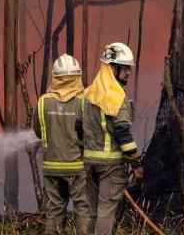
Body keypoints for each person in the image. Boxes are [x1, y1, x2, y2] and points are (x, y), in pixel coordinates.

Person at [82, 42, 142, 235]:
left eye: (129, 68)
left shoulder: (88, 94)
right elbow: (124, 134)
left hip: (88, 163)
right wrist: (136, 163)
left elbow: (77, 128)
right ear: (111, 68)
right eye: (124, 68)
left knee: (90, 211)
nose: (128, 73)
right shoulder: (117, 97)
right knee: (106, 212)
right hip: (111, 166)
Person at [34, 54, 90, 234]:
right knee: (82, 207)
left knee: (54, 210)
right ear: (77, 77)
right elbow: (90, 133)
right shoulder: (83, 102)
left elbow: (38, 131)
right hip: (77, 166)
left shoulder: (43, 102)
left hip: (51, 166)